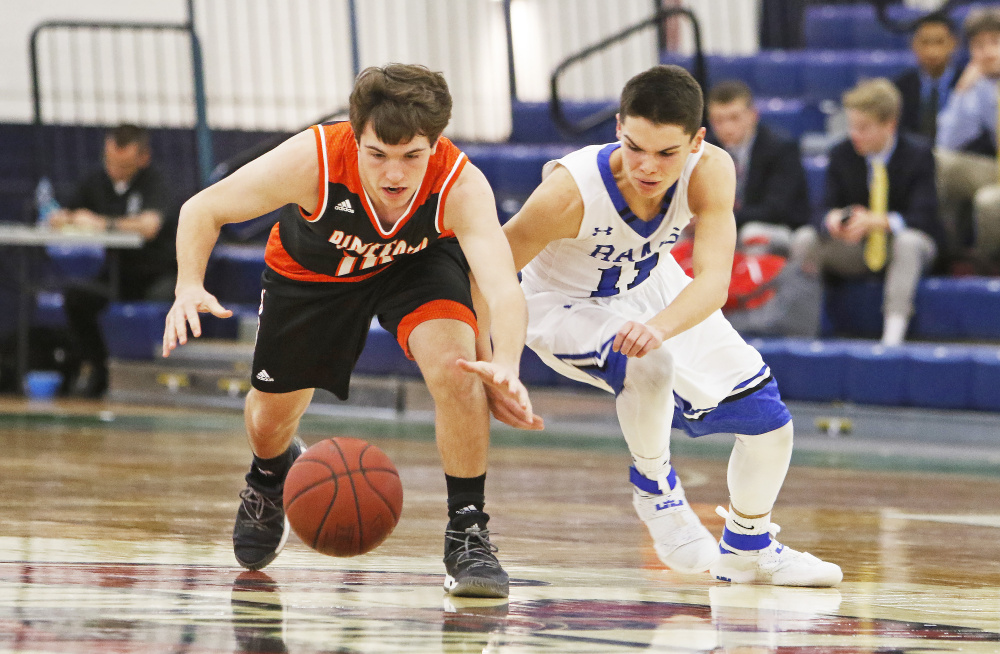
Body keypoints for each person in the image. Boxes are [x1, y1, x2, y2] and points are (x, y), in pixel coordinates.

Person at [162, 64, 540, 599]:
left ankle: (468, 529)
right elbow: (203, 208)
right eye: (378, 154)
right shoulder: (313, 158)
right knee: (270, 416)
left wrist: (507, 362)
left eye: (412, 156)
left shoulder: (460, 184)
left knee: (460, 373)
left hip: (415, 265)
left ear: (435, 145)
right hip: (314, 273)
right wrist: (188, 286)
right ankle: (270, 476)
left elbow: (503, 289)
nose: (395, 174)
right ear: (355, 135)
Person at [487, 65, 842, 586]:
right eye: (635, 148)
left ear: (697, 141)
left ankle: (748, 546)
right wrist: (500, 364)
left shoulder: (712, 170)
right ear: (617, 129)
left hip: (655, 287)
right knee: (647, 360)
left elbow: (714, 283)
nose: (647, 167)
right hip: (560, 301)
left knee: (770, 427)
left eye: (666, 153)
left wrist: (657, 323)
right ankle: (656, 489)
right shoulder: (569, 193)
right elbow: (489, 269)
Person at [790, 79, 941, 347]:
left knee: (909, 243)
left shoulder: (918, 154)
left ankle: (892, 337)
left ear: (889, 124)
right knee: (805, 239)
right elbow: (816, 211)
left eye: (863, 128)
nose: (854, 134)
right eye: (851, 126)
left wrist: (880, 221)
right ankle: (805, 329)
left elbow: (926, 216)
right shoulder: (841, 154)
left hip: (903, 245)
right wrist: (833, 219)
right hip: (857, 248)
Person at [49, 123, 175, 397]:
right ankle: (98, 371)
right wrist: (68, 218)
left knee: (156, 305)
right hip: (119, 272)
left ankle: (153, 385)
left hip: (160, 273)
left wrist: (101, 223)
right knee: (77, 300)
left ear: (143, 158)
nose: (114, 171)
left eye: (124, 166)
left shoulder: (157, 182)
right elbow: (60, 216)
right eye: (110, 162)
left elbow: (149, 226)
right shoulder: (96, 181)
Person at [706, 80, 809, 255]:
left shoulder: (780, 148)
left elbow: (776, 209)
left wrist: (718, 218)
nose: (727, 128)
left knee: (752, 234)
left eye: (734, 117)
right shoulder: (705, 149)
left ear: (753, 115)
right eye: (718, 120)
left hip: (776, 227)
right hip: (722, 224)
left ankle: (755, 283)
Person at [935, 7, 1000, 269]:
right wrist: (963, 91)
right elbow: (946, 143)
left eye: (995, 42)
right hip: (995, 169)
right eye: (979, 45)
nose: (988, 52)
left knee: (988, 202)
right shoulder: (980, 85)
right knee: (938, 163)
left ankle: (988, 268)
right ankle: (948, 258)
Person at [894, 11, 960, 142]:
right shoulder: (899, 87)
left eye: (939, 42)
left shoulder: (969, 84)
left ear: (953, 43)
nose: (932, 51)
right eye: (925, 42)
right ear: (913, 44)